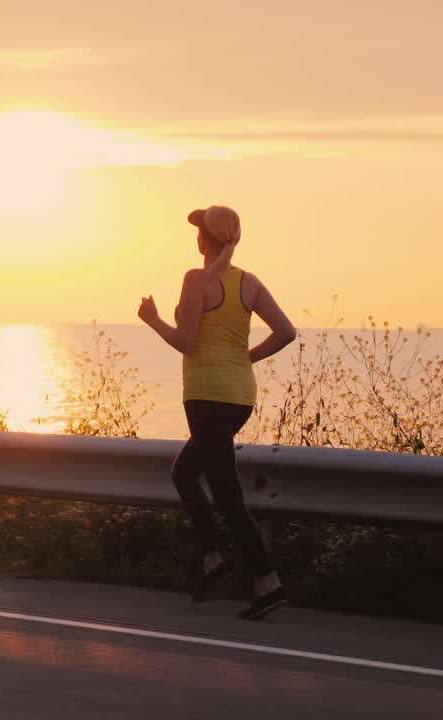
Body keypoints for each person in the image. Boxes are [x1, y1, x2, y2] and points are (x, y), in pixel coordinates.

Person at [136, 205, 298, 620]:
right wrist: (245, 358)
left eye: (198, 231)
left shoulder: (196, 280)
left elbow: (187, 342)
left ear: (204, 239)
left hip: (206, 396)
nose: (196, 236)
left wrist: (153, 320)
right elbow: (286, 332)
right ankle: (213, 560)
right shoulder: (249, 282)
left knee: (227, 495)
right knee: (184, 474)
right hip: (240, 396)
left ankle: (268, 580)